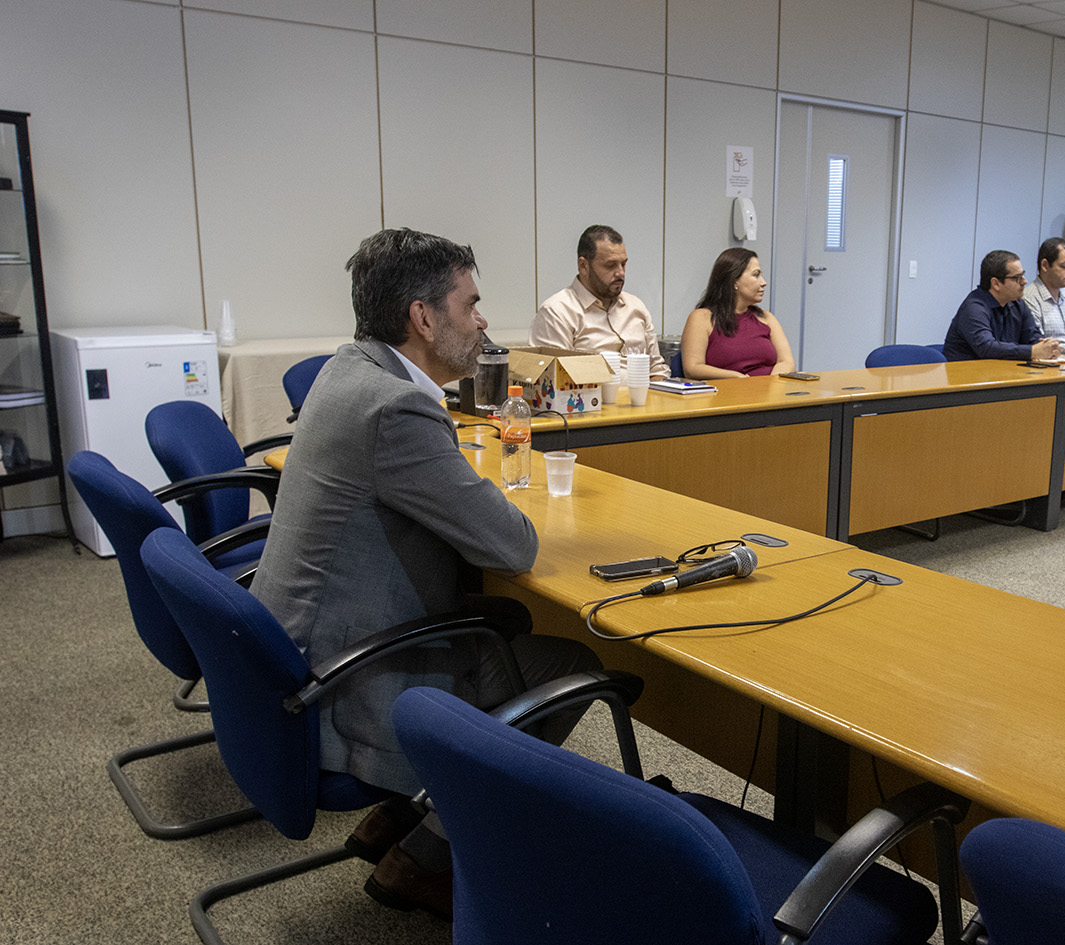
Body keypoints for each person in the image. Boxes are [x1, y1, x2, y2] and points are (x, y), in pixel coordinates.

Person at [251, 228, 600, 919]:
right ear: (421, 317)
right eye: (470, 304)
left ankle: (403, 817)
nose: (482, 321)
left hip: (297, 654)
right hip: (345, 685)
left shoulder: (348, 369)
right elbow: (513, 543)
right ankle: (426, 853)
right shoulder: (397, 408)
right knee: (569, 663)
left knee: (501, 626)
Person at [531, 224, 669, 378]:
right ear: (584, 266)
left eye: (623, 264)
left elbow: (657, 369)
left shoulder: (635, 306)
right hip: (590, 401)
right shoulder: (557, 312)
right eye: (610, 265)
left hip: (644, 399)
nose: (620, 273)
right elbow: (555, 380)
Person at [681, 248, 795, 378]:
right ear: (734, 280)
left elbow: (786, 361)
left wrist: (771, 383)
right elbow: (692, 368)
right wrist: (736, 377)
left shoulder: (767, 318)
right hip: (727, 393)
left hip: (771, 393)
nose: (764, 283)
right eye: (756, 275)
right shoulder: (702, 318)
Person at [943, 250, 1062, 362]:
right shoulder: (974, 308)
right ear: (996, 284)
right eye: (1017, 278)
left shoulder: (1018, 304)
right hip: (966, 377)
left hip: (1000, 374)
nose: (1024, 282)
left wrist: (1047, 346)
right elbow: (987, 348)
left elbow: (1032, 336)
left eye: (1023, 275)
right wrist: (1031, 352)